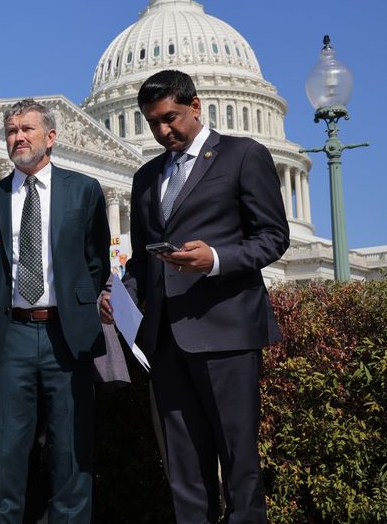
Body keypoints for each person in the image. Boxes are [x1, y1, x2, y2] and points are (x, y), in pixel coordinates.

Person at [104, 70, 288, 523]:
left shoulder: (244, 155)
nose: (163, 131)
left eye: (170, 118)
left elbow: (273, 237)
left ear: (196, 105)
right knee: (183, 470)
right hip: (166, 340)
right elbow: (145, 261)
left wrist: (217, 259)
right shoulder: (147, 177)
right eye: (152, 122)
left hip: (226, 331)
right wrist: (122, 293)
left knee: (239, 464)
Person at [0, 99, 110, 523]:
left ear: (51, 137)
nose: (18, 137)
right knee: (4, 456)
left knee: (71, 454)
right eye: (11, 131)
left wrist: (80, 304)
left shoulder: (83, 190)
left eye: (27, 129)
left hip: (68, 334)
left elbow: (95, 259)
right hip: (12, 337)